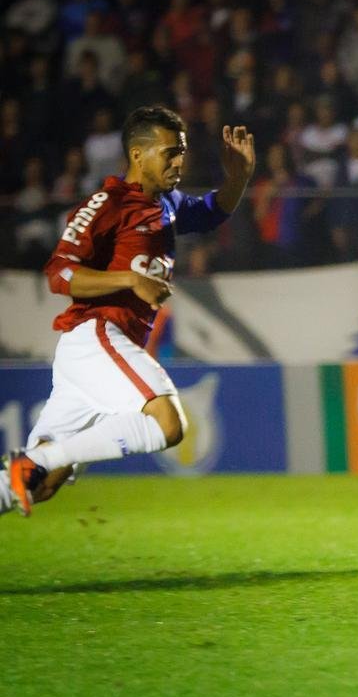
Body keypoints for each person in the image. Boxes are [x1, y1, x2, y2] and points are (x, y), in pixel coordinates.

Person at [2, 106, 256, 517]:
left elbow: (211, 212)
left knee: (40, 484)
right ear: (138, 155)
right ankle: (38, 460)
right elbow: (59, 273)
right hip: (97, 334)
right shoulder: (108, 203)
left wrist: (239, 178)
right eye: (170, 152)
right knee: (168, 423)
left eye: (183, 152)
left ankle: (34, 465)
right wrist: (128, 279)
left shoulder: (168, 203)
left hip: (91, 354)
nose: (179, 161)